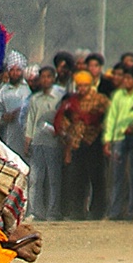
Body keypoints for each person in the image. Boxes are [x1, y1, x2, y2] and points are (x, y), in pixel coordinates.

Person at [54, 69, 110, 219]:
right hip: (77, 143)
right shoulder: (72, 101)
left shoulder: (100, 100)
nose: (82, 89)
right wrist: (65, 132)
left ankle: (97, 211)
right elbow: (63, 119)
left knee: (97, 178)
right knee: (78, 178)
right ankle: (78, 211)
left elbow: (108, 118)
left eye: (85, 86)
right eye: (80, 86)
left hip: (95, 141)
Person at [103, 65, 133, 219]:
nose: (126, 81)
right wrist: (108, 139)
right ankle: (115, 211)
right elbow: (112, 117)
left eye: (129, 78)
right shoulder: (118, 95)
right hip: (119, 138)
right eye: (125, 78)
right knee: (117, 175)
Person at [23, 65, 62, 220]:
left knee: (53, 178)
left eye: (48, 77)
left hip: (53, 142)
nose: (45, 80)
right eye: (43, 77)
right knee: (36, 179)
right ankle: (36, 211)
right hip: (37, 142)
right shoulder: (35, 99)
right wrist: (28, 140)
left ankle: (53, 211)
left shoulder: (59, 97)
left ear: (53, 79)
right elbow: (30, 120)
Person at [0, 50, 30, 154]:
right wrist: (4, 117)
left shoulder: (29, 88)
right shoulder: (4, 90)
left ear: (22, 71)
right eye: (12, 70)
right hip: (10, 137)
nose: (15, 73)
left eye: (18, 70)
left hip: (27, 137)